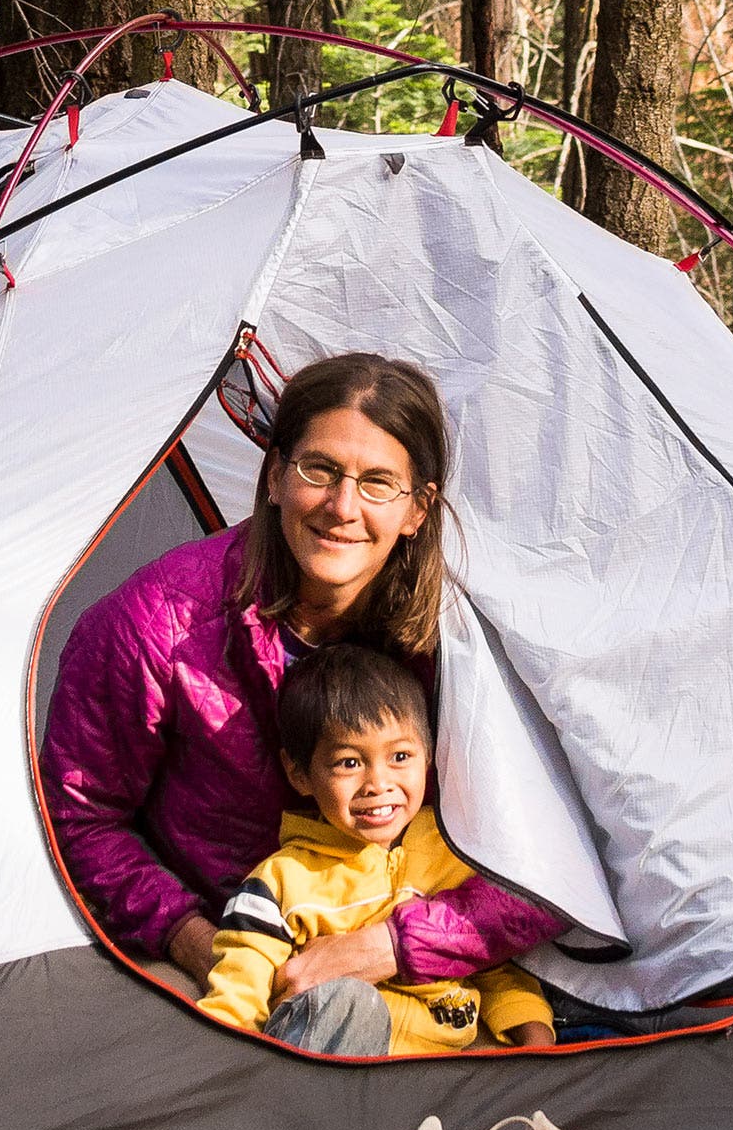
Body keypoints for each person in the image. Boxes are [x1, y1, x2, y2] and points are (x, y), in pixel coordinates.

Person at [40, 351, 562, 1005]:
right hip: (233, 948)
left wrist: (394, 946)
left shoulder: (462, 639)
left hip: (423, 948)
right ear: (276, 475)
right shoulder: (152, 628)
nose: (343, 507)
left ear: (418, 510)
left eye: (377, 483)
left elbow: (552, 854)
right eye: (320, 470)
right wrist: (202, 946)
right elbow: (82, 820)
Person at [195, 644, 556, 1055]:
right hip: (330, 1067)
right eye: (349, 763)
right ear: (300, 773)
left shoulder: (456, 855)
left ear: (430, 758)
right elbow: (237, 995)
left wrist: (532, 1029)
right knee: (350, 1003)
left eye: (400, 756)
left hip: (440, 1068)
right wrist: (223, 1060)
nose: (377, 783)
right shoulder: (281, 882)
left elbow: (494, 962)